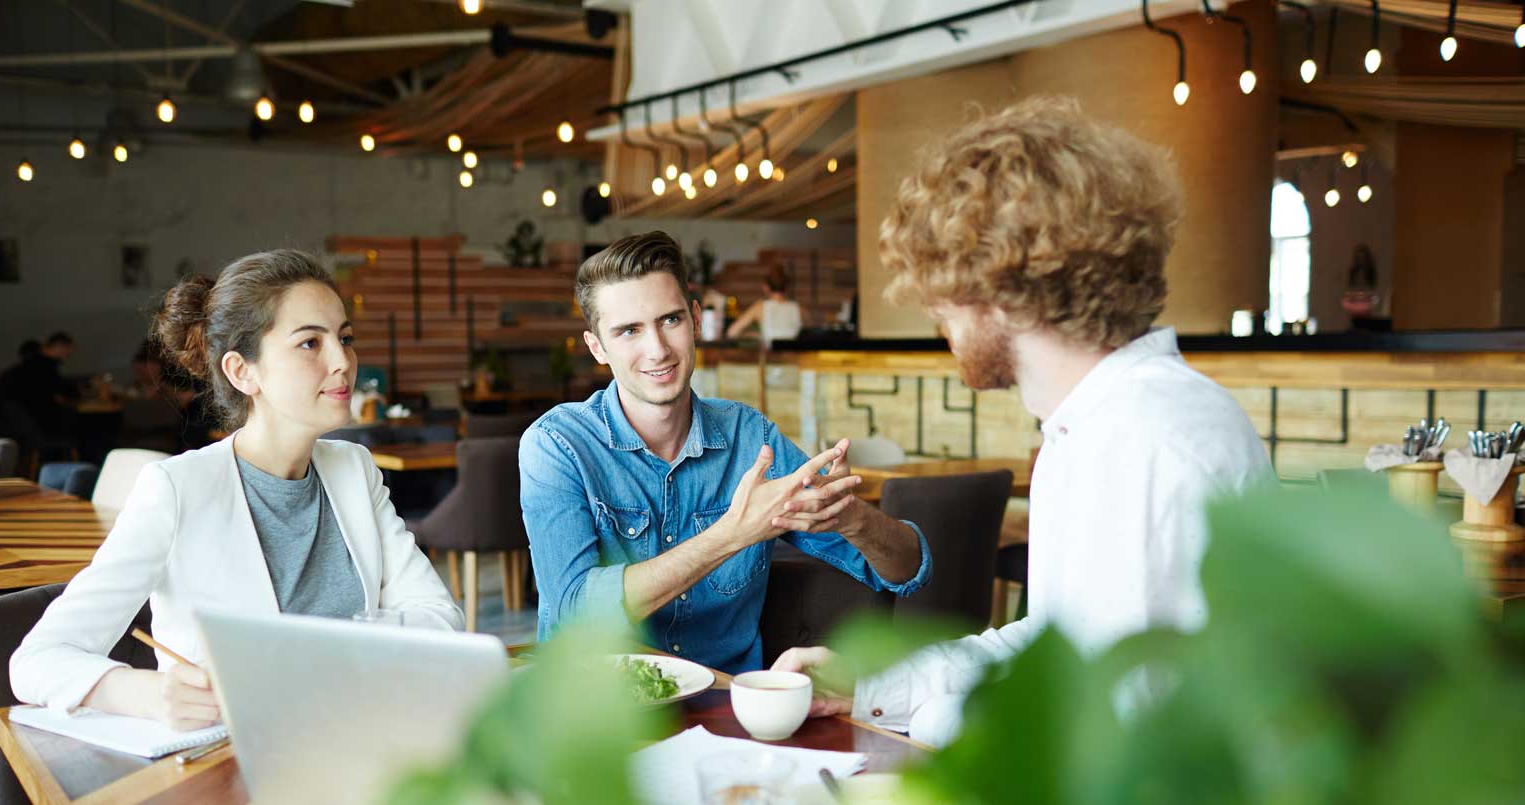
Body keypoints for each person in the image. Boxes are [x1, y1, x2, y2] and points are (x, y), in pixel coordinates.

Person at [771, 98, 1273, 747]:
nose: (937, 318)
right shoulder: (1093, 423)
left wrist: (931, 722)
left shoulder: (1143, 441)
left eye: (944, 292)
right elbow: (1053, 644)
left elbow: (1119, 722)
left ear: (1006, 291)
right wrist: (868, 686)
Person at [11, 250, 460, 731]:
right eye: (310, 343)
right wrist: (147, 694)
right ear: (243, 372)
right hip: (231, 766)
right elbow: (37, 661)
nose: (343, 362)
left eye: (344, 338)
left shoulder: (354, 468)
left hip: (356, 736)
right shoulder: (177, 489)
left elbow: (440, 617)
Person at [520, 231, 931, 675]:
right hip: (597, 719)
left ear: (696, 321)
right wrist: (733, 533)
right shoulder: (557, 446)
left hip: (727, 715)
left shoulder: (751, 438)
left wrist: (853, 519)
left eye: (670, 321)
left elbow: (905, 572)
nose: (657, 349)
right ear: (597, 346)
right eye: (629, 331)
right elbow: (573, 610)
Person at [726, 262, 803, 346]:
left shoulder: (760, 307)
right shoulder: (798, 308)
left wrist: (755, 335)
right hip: (795, 357)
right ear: (787, 287)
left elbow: (731, 332)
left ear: (766, 287)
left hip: (770, 357)